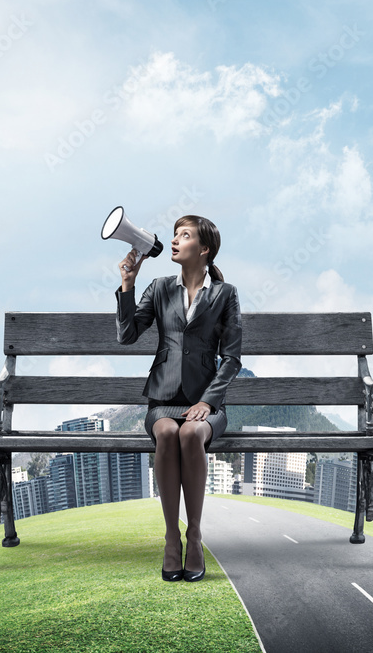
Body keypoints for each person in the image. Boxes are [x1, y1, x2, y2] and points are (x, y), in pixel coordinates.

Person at [115, 214, 242, 582]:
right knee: (169, 432)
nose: (174, 240)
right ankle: (172, 537)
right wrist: (127, 284)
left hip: (208, 403)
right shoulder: (158, 288)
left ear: (203, 249)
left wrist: (208, 402)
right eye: (174, 235)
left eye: (183, 236)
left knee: (190, 433)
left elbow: (232, 358)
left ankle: (195, 535)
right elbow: (127, 336)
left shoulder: (225, 294)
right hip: (163, 402)